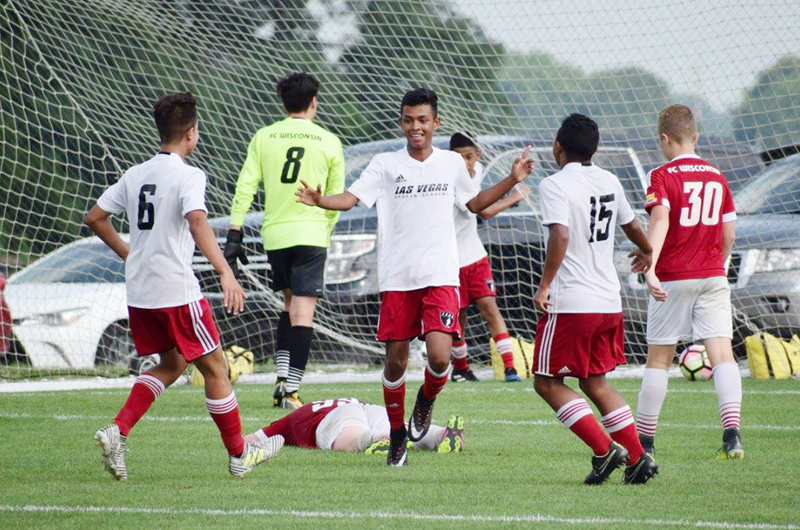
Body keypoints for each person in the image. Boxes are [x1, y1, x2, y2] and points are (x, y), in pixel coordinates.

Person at [296, 88, 534, 466]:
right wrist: (320, 200)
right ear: (401, 122)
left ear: (435, 123)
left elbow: (473, 205)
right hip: (397, 278)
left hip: (440, 275)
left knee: (439, 359)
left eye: (423, 120)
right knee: (395, 363)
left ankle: (426, 399)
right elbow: (352, 199)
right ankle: (396, 434)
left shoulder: (452, 164)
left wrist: (510, 179)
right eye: (409, 120)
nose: (416, 127)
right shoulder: (385, 164)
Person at [86, 92, 284, 480]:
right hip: (176, 292)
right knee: (216, 369)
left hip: (141, 294)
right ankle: (240, 454)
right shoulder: (189, 174)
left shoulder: (135, 173)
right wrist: (226, 271)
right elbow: (197, 221)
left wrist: (131, 254)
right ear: (192, 133)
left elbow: (95, 217)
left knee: (173, 364)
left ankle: (118, 430)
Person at [531, 113, 658, 485]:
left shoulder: (554, 184)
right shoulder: (610, 179)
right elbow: (632, 224)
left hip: (573, 302)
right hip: (608, 302)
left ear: (558, 147)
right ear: (596, 149)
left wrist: (545, 285)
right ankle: (638, 458)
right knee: (595, 383)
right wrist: (648, 250)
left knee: (546, 382)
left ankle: (605, 451)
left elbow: (560, 235)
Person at [224, 72, 345, 410]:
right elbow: (335, 197)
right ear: (314, 102)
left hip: (275, 236)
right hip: (310, 234)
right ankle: (291, 390)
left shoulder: (264, 136)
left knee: (289, 306)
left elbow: (245, 185)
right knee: (303, 313)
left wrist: (235, 232)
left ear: (284, 103)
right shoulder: (329, 141)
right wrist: (326, 230)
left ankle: (280, 378)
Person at [636, 104, 743, 459]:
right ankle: (733, 435)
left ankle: (645, 442)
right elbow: (728, 235)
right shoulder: (718, 176)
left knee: (659, 360)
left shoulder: (662, 175)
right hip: (713, 274)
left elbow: (661, 221)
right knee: (723, 355)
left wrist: (650, 265)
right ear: (696, 137)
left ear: (664, 139)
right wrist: (720, 264)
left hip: (673, 277)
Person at [449, 132, 532, 382]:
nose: (465, 162)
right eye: (458, 158)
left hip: (475, 256)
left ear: (478, 155)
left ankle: (510, 368)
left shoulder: (480, 170)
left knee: (490, 309)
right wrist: (513, 197)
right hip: (451, 260)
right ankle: (461, 369)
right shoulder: (452, 179)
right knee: (458, 316)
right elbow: (482, 211)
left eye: (469, 156)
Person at [244, 397, 465, 454]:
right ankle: (441, 435)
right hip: (363, 406)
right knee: (404, 428)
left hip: (336, 417)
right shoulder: (314, 407)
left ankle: (378, 440)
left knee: (354, 438)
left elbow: (248, 441)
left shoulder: (294, 418)